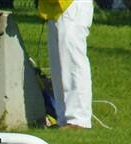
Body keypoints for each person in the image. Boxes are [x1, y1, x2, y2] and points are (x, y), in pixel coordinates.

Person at [40, 0, 94, 129]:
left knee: (73, 63)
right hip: (57, 7)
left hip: (73, 5)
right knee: (58, 66)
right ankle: (63, 118)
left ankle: (78, 119)